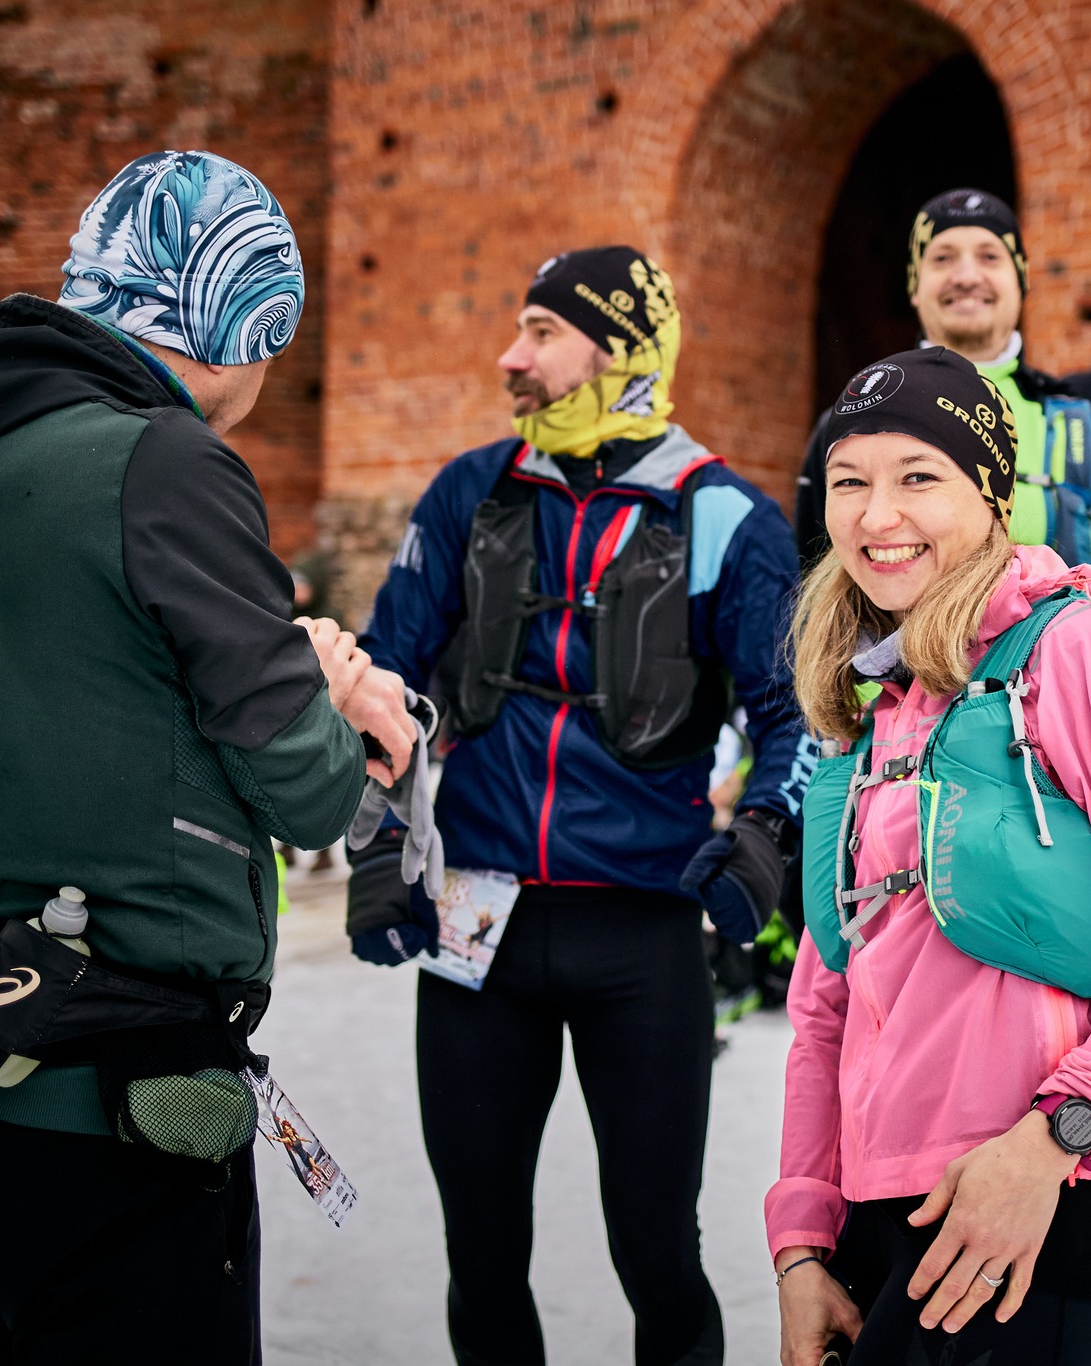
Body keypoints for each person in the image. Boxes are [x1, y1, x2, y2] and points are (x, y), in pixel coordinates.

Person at [0, 149, 413, 1363]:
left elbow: (70, 691)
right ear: (242, 316)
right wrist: (327, 690)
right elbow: (309, 789)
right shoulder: (161, 457)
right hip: (111, 1088)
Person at [354, 245, 810, 1366]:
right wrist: (377, 840)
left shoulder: (725, 517)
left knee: (657, 1252)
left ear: (625, 352)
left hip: (642, 932)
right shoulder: (469, 493)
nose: (510, 358)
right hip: (475, 924)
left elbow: (796, 711)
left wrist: (762, 839)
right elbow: (380, 679)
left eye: (543, 333)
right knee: (480, 1251)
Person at [769, 346, 1091, 1365]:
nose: (875, 515)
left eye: (917, 476)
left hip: (1032, 1202)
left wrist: (1054, 1140)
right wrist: (803, 1240)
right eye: (848, 482)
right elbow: (826, 1004)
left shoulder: (1077, 653)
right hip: (876, 1206)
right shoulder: (877, 695)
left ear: (991, 494)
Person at [793, 190, 1091, 600]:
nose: (965, 276)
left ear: (1021, 280)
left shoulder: (1088, 433)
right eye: (942, 258)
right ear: (914, 283)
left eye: (989, 257)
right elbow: (814, 595)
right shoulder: (850, 425)